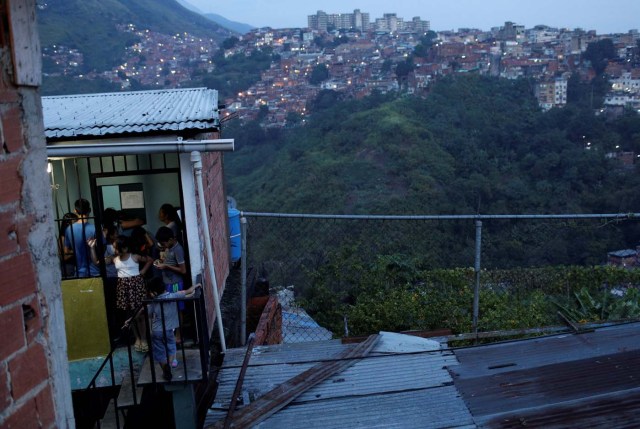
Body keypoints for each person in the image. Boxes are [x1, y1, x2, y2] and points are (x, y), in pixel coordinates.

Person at [147, 277, 200, 381]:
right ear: (164, 287)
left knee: (160, 351)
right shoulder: (173, 296)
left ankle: (165, 369)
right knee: (171, 347)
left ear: (153, 292)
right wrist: (196, 285)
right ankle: (169, 366)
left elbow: (149, 314)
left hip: (156, 330)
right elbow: (188, 291)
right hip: (169, 329)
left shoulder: (154, 301)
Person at [114, 235, 153, 352]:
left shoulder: (134, 256)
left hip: (136, 286)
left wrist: (143, 272)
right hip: (123, 287)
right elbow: (97, 262)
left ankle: (144, 339)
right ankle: (137, 338)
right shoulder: (115, 259)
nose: (116, 251)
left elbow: (150, 260)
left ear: (125, 248)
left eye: (117, 248)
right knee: (130, 314)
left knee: (140, 314)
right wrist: (91, 248)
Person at [154, 226, 187, 343]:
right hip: (168, 282)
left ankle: (178, 336)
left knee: (178, 309)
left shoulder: (177, 249)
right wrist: (162, 263)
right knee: (171, 310)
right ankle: (173, 335)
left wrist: (166, 266)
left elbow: (183, 270)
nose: (163, 245)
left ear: (171, 239)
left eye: (164, 243)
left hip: (175, 283)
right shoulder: (169, 248)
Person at [64, 199, 100, 277]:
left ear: (75, 211)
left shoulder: (69, 229)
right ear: (89, 210)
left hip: (79, 272)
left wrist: (77, 250)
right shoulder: (95, 229)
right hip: (95, 271)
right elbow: (102, 250)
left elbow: (66, 251)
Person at [58, 212, 78, 277]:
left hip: (74, 266)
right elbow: (64, 257)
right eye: (75, 222)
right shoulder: (63, 238)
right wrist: (77, 250)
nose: (77, 224)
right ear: (68, 224)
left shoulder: (72, 235)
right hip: (68, 268)